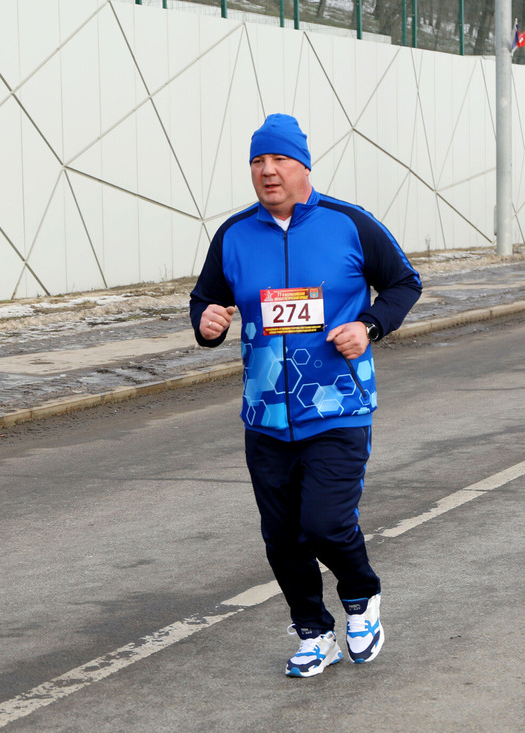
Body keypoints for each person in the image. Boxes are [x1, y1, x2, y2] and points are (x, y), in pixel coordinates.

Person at [189, 114, 421, 678]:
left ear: (303, 166)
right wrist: (209, 322)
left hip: (338, 406)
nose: (267, 172)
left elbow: (404, 283)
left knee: (323, 524)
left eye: (279, 161)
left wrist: (368, 326)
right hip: (265, 415)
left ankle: (362, 598)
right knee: (281, 537)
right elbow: (204, 300)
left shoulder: (350, 224)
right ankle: (314, 631)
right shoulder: (235, 234)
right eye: (258, 163)